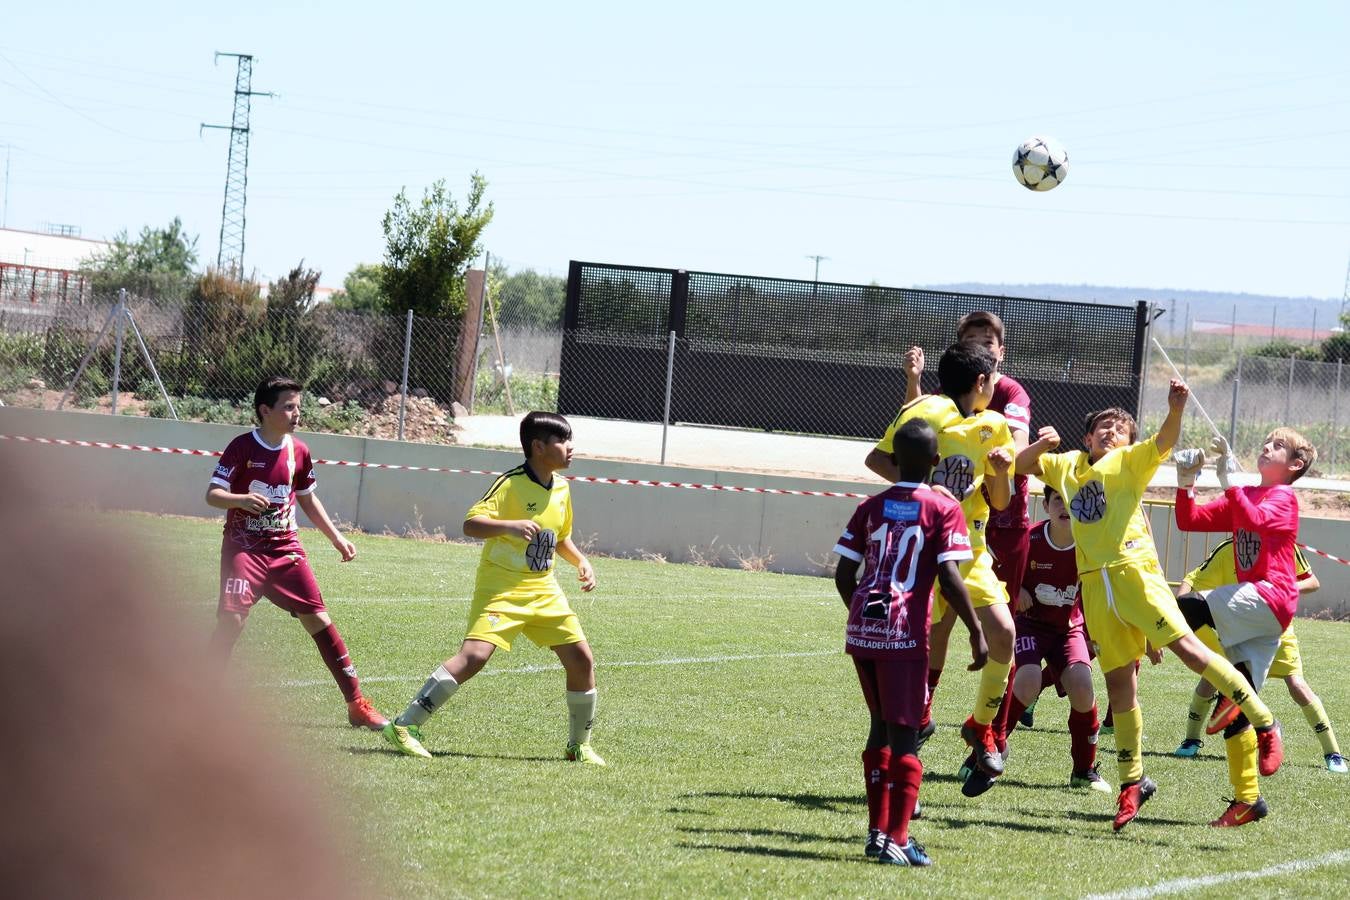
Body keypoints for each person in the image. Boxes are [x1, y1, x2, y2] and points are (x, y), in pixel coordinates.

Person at [1020, 381, 1283, 831]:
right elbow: (1017, 466)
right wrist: (1039, 444)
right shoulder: (1066, 465)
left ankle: (1264, 721)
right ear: (1086, 438)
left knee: (1192, 654)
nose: (1111, 432)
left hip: (1135, 577)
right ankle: (1132, 782)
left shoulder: (1131, 460)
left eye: (1120, 428)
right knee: (1120, 686)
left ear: (1128, 440)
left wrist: (1175, 410)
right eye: (1103, 427)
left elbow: (1163, 441)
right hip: (1095, 589)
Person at [383, 411, 603, 764]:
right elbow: (472, 524)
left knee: (581, 659)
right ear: (538, 447)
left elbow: (560, 538)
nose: (570, 448)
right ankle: (405, 725)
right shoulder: (510, 483)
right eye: (562, 441)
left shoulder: (562, 488)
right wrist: (509, 526)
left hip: (544, 589)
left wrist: (581, 561)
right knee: (474, 657)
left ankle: (579, 746)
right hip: (502, 587)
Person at [835, 418, 988, 867]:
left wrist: (862, 613)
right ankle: (897, 840)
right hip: (904, 633)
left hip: (864, 630)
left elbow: (845, 573)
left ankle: (877, 833)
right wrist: (977, 632)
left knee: (879, 727)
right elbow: (948, 575)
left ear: (895, 459)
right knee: (906, 736)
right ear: (937, 462)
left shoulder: (871, 506)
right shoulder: (942, 508)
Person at [866, 343, 1016, 792]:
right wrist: (929, 493)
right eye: (992, 380)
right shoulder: (926, 411)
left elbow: (1003, 500)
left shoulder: (993, 426)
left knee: (1004, 634)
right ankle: (917, 721)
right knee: (928, 640)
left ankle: (981, 725)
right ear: (981, 383)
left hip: (972, 547)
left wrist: (1003, 472)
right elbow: (878, 459)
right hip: (929, 550)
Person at [206, 375, 387, 730]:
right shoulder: (242, 447)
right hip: (244, 550)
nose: (296, 414)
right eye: (288, 407)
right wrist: (241, 500)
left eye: (298, 407)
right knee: (232, 621)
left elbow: (306, 497)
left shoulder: (298, 451)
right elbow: (212, 494)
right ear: (264, 410)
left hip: (286, 550)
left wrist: (335, 538)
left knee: (319, 620)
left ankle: (357, 705)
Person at [896, 312, 1037, 734]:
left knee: (1002, 631)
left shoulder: (1007, 396)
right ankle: (921, 711)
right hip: (941, 537)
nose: (982, 347)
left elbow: (1014, 461)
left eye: (988, 341)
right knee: (937, 628)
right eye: (972, 340)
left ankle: (990, 730)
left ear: (1000, 352)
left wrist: (1001, 469)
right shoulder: (940, 401)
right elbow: (906, 446)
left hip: (1003, 525)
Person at [1169, 429, 1315, 823]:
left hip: (1270, 596)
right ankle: (1247, 800)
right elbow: (1189, 520)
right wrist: (1187, 482)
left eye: (1278, 446)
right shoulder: (1245, 493)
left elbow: (1254, 519)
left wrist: (1228, 480)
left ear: (1294, 466)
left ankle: (1265, 720)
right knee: (1234, 710)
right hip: (1260, 615)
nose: (1267, 446)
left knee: (1187, 607)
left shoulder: (1284, 497)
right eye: (1266, 441)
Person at [1171, 537, 1345, 773]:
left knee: (1297, 685)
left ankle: (1332, 753)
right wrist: (1176, 619)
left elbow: (1312, 582)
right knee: (1212, 678)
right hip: (1238, 632)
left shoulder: (1283, 545)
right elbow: (1190, 582)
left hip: (1276, 629)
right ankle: (1191, 740)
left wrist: (1280, 591)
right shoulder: (1228, 549)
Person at [1001, 486, 1109, 793]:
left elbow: (1096, 590)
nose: (1065, 506)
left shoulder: (1090, 545)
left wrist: (1095, 633)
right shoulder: (1029, 539)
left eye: (1072, 500)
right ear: (1046, 505)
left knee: (1082, 686)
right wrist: (1015, 590)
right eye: (1058, 499)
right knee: (1028, 680)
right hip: (1030, 625)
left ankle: (1083, 771)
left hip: (1068, 628)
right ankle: (988, 750)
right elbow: (1002, 571)